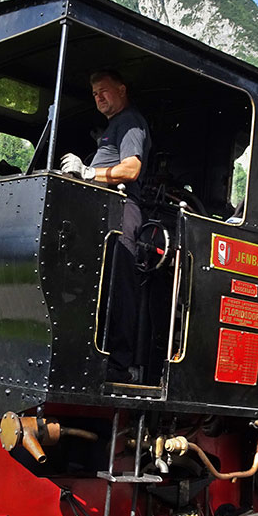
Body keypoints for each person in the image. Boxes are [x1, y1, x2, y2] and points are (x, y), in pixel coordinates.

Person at [60, 69, 151, 384]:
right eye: (94, 94)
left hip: (122, 210)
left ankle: (120, 363)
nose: (98, 97)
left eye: (104, 91)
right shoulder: (113, 126)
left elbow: (132, 168)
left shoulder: (130, 122)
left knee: (120, 283)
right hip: (103, 212)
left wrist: (88, 173)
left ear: (122, 89)